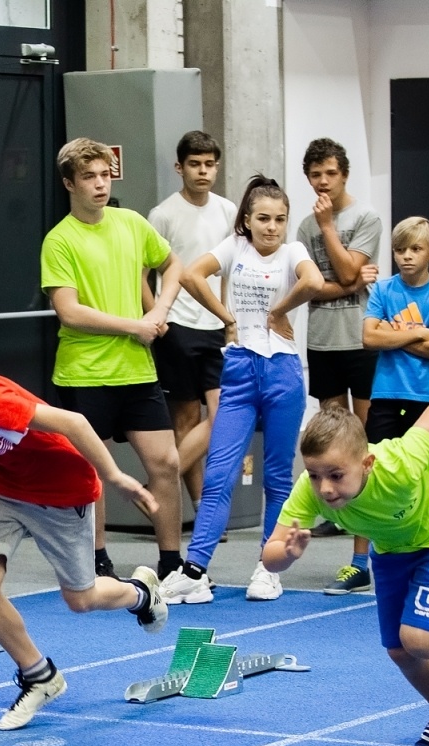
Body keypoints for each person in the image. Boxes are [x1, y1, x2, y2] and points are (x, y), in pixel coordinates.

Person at [0, 333, 169, 732]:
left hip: (62, 491)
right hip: (5, 490)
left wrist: (114, 475)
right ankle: (39, 676)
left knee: (81, 599)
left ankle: (141, 594)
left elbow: (74, 422)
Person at [262, 346, 429, 746]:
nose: (325, 487)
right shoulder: (311, 492)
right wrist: (287, 553)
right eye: (315, 474)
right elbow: (270, 557)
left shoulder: (398, 462)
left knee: (417, 636)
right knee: (399, 649)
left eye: (336, 475)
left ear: (366, 463)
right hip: (394, 551)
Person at [159, 175, 323, 605]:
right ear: (246, 221)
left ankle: (269, 569)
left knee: (277, 477)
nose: (272, 227)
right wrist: (225, 318)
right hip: (238, 370)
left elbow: (315, 282)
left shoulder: (293, 252)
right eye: (263, 218)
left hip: (284, 371)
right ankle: (195, 571)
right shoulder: (234, 249)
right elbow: (192, 275)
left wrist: (280, 309)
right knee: (219, 473)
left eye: (280, 219)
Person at [41, 136, 184, 582]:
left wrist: (158, 310)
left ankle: (172, 563)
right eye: (89, 177)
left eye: (105, 175)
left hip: (136, 371)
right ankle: (97, 558)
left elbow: (173, 266)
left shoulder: (131, 223)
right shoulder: (58, 241)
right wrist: (135, 326)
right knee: (93, 470)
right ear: (70, 183)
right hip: (85, 373)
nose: (100, 184)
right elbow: (69, 310)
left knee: (167, 463)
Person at [295, 138, 383, 592]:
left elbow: (350, 276)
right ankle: (340, 514)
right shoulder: (304, 226)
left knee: (361, 444)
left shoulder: (363, 218)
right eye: (315, 175)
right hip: (323, 341)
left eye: (330, 173)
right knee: (330, 441)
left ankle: (362, 556)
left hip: (361, 340)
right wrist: (343, 280)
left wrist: (330, 229)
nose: (323, 182)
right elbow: (314, 286)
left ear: (343, 174)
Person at [356, 215, 429, 590]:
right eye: (400, 250)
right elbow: (369, 338)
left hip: (426, 400)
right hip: (385, 396)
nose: (406, 257)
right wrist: (421, 333)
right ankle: (359, 561)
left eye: (415, 249)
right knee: (370, 474)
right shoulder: (383, 291)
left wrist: (394, 332)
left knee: (424, 476)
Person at [146, 131, 238, 510]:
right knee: (184, 420)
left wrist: (230, 317)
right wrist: (157, 314)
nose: (203, 171)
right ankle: (203, 508)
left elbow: (232, 266)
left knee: (224, 414)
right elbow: (143, 270)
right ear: (179, 167)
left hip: (218, 325)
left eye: (209, 164)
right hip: (178, 327)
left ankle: (156, 488)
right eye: (195, 164)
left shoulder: (229, 211)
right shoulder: (162, 214)